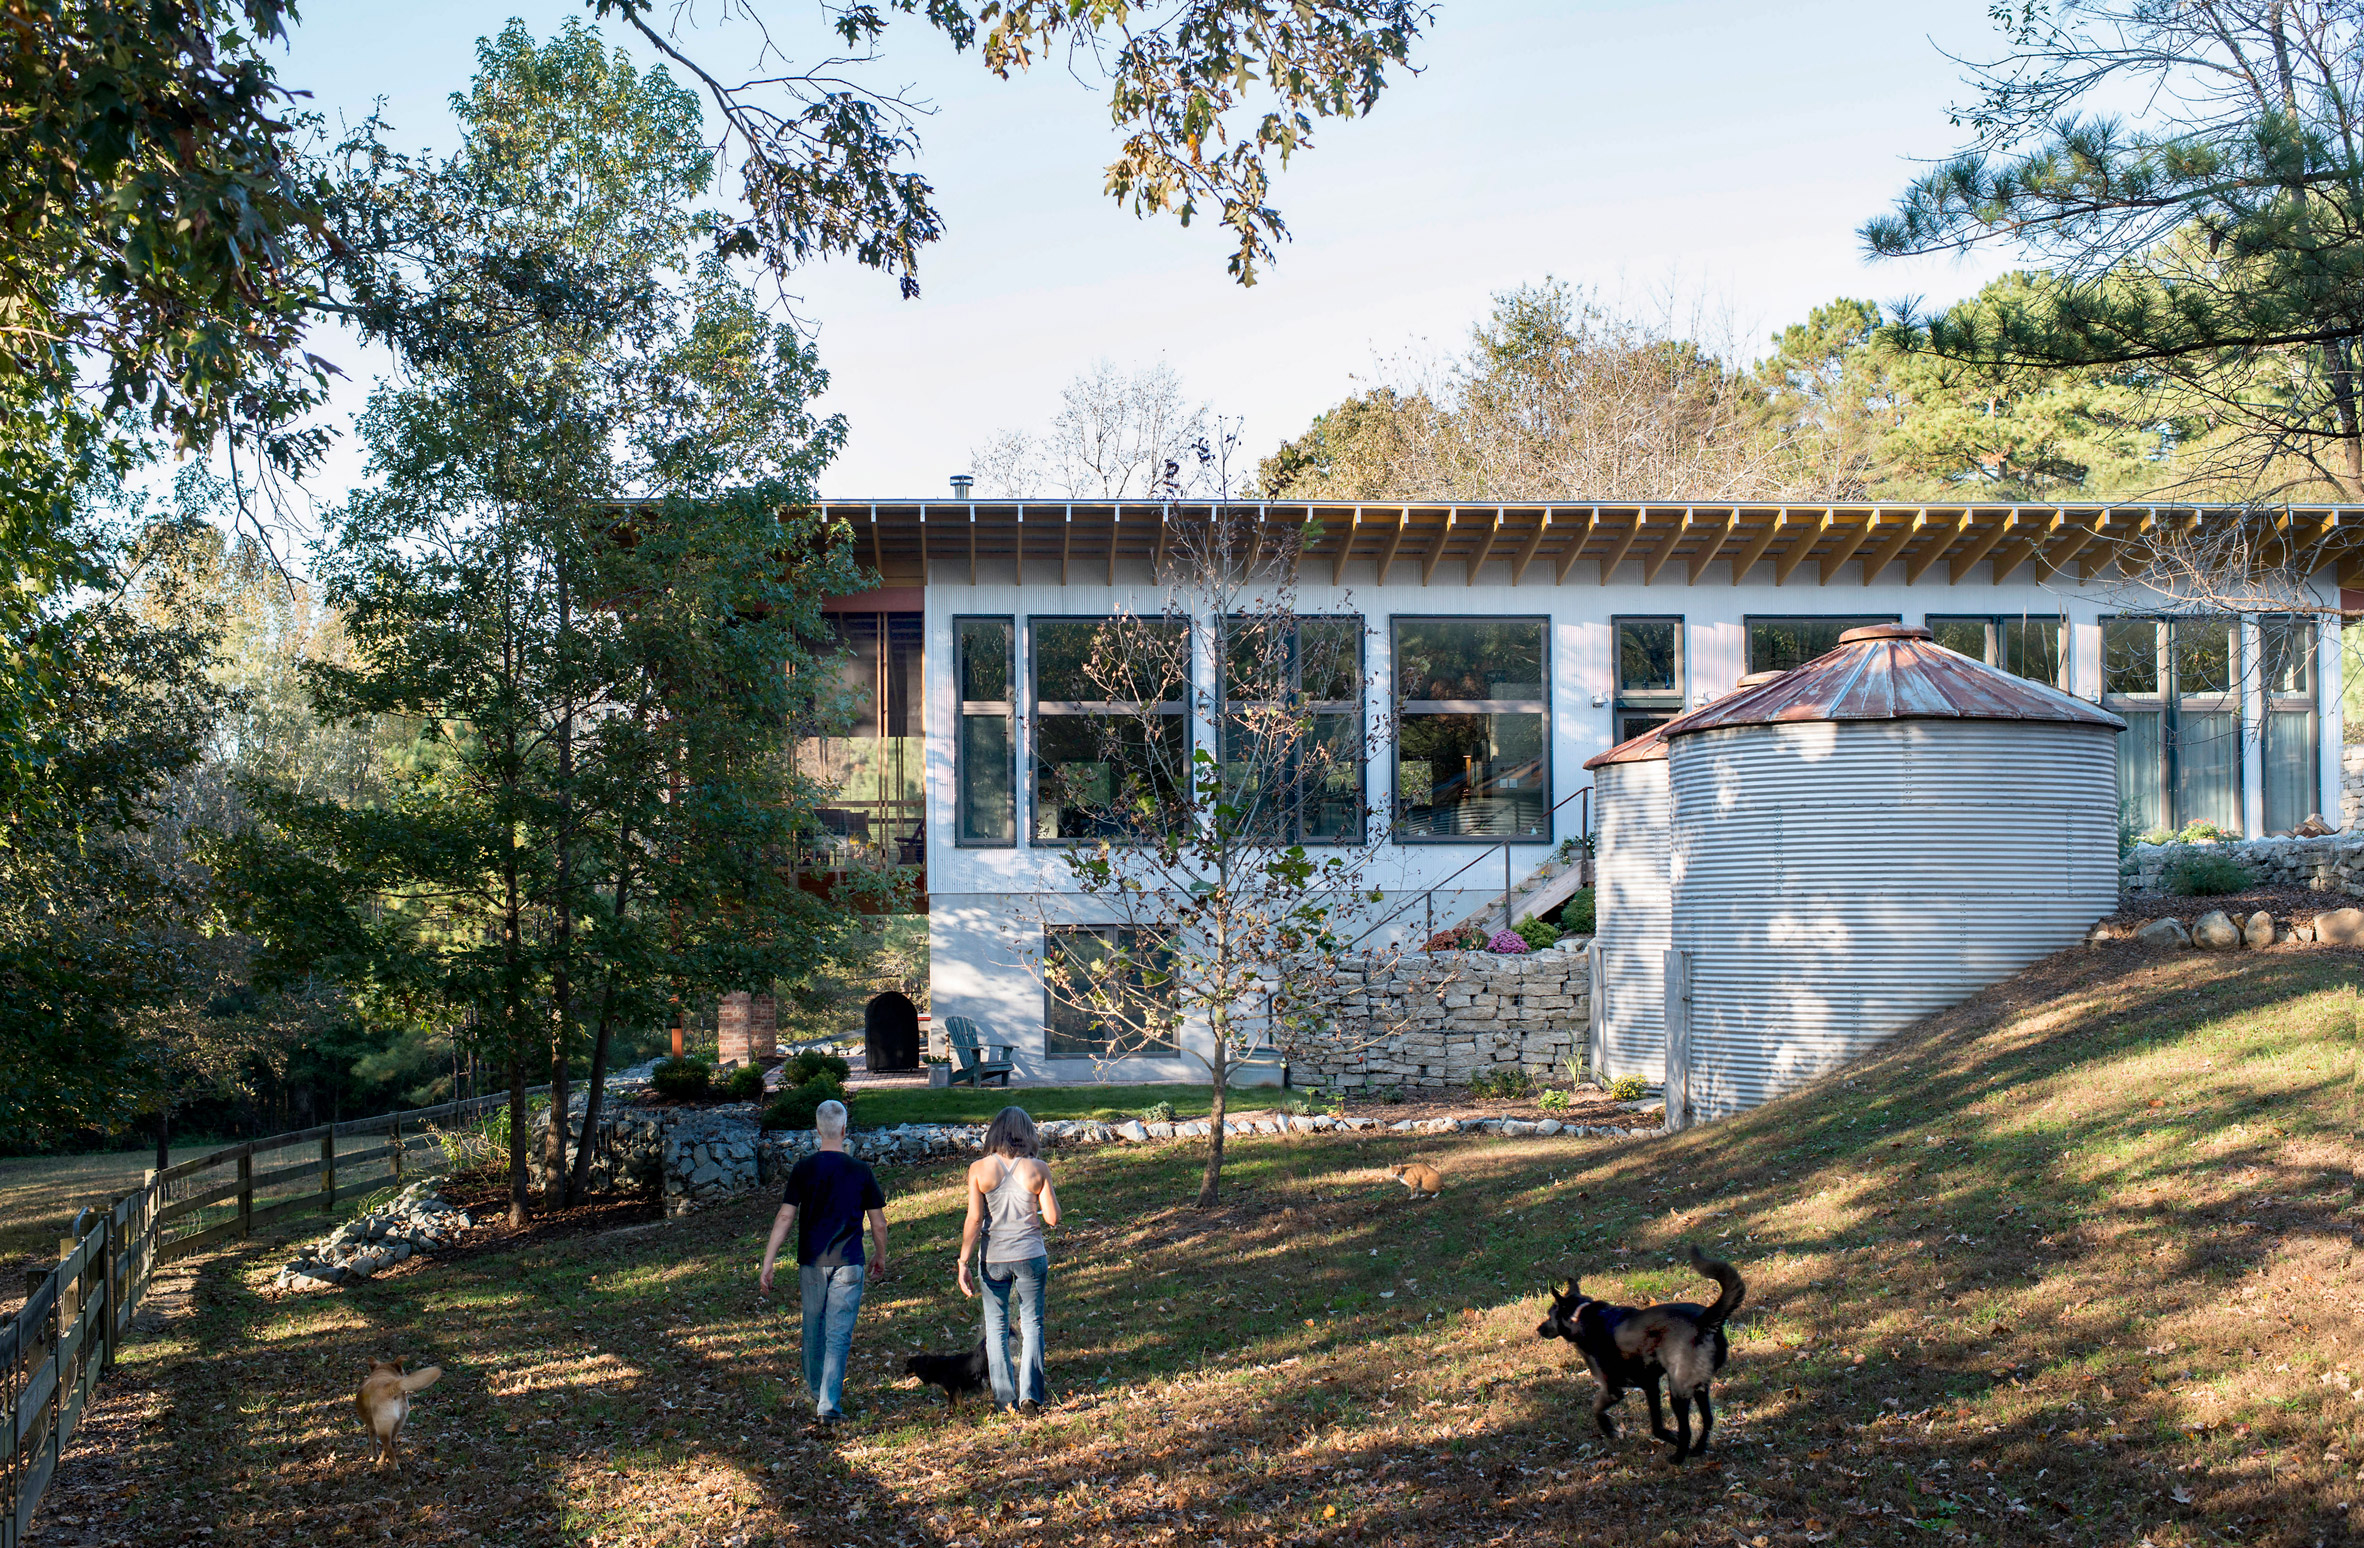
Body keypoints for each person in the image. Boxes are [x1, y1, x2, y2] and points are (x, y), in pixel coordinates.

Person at [759, 1099, 887, 1424]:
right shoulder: (861, 1171)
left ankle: (817, 1390)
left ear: (817, 1130)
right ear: (844, 1129)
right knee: (838, 1332)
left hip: (812, 1263)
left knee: (812, 1325)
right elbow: (879, 1222)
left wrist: (768, 1262)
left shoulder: (804, 1168)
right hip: (849, 1262)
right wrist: (880, 1254)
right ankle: (828, 1404)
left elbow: (786, 1216)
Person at [958, 1105, 1061, 1415]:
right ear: (1027, 1133)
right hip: (1031, 1256)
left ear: (995, 1132)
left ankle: (1004, 1398)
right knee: (1033, 1324)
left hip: (993, 1259)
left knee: (997, 1328)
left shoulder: (979, 1169)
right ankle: (1032, 1395)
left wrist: (963, 1261)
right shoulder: (1038, 1168)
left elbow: (975, 1219)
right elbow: (1053, 1218)